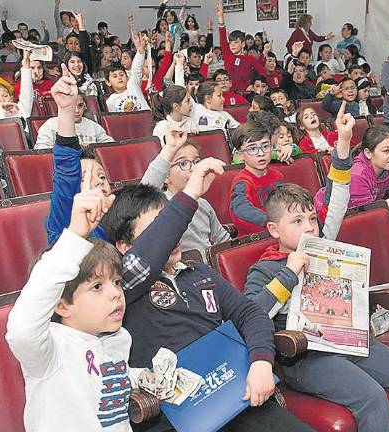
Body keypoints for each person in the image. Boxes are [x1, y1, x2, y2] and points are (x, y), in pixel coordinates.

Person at [245, 107, 389, 432]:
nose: (310, 229)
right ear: (274, 230)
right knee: (372, 396)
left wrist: (343, 146)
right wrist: (289, 274)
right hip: (305, 357)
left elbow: (338, 197)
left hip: (346, 339)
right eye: (297, 222)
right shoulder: (264, 267)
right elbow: (252, 316)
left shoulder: (323, 246)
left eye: (311, 220)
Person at [103, 163, 315, 432]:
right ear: (126, 248)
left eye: (171, 225)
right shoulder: (121, 290)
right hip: (178, 417)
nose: (174, 236)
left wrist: (261, 361)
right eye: (160, 230)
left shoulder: (198, 271)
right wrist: (190, 192)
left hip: (235, 396)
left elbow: (250, 314)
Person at [5, 189, 140, 432]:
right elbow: (21, 329)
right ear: (62, 304)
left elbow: (105, 381)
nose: (115, 293)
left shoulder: (116, 339)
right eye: (97, 286)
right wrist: (75, 237)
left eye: (117, 282)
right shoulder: (51, 351)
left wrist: (142, 378)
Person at [140, 126, 231, 262]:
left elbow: (223, 240)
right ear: (166, 176)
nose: (194, 168)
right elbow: (143, 194)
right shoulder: (160, 204)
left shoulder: (203, 204)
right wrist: (169, 149)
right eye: (183, 163)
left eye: (196, 162)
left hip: (210, 268)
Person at [44, 65, 112, 246]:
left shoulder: (117, 217)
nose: (97, 181)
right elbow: (66, 170)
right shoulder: (64, 220)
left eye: (102, 176)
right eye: (83, 178)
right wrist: (66, 110)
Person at [229, 121, 285, 236]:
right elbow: (240, 208)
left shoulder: (277, 176)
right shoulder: (242, 182)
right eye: (252, 149)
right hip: (254, 239)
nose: (261, 153)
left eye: (265, 146)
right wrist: (272, 222)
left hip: (279, 233)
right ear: (240, 155)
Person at [214, 3, 266, 92]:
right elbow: (223, 40)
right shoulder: (228, 55)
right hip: (229, 92)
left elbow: (263, 73)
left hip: (246, 93)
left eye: (236, 42)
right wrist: (221, 18)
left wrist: (254, 85)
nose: (232, 45)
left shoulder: (249, 58)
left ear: (242, 44)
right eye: (230, 43)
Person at [34, 99, 114, 150]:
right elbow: (41, 149)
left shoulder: (93, 125)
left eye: (80, 106)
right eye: (72, 106)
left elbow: (111, 145)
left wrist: (91, 147)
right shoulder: (51, 125)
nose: (76, 111)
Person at [0, 50, 34, 130]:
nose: (2, 100)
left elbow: (27, 91)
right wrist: (1, 107)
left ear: (11, 98)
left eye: (5, 96)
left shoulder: (22, 108)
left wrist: (26, 66)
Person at [105, 33, 150, 113]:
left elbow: (137, 66)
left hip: (147, 120)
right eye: (115, 76)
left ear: (127, 77)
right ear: (108, 82)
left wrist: (142, 46)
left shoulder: (132, 85)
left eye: (122, 75)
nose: (119, 78)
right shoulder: (110, 101)